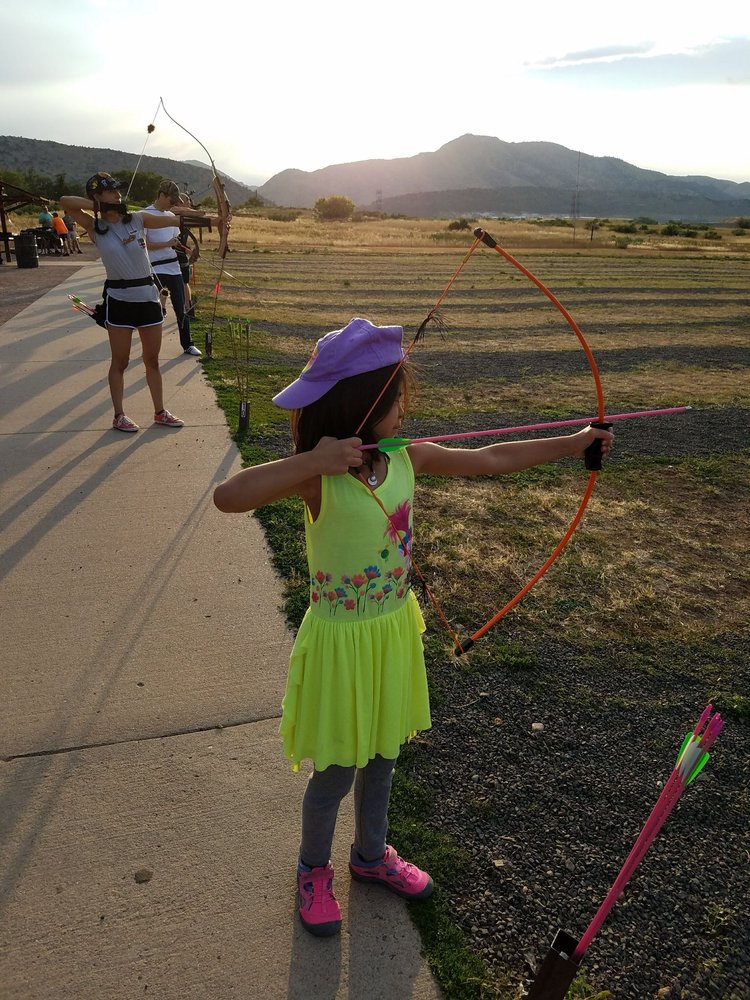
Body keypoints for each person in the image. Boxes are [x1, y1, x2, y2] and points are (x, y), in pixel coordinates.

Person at [212, 317, 614, 937]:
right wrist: (313, 459)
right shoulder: (318, 478)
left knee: (383, 756)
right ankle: (313, 870)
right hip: (342, 644)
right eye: (396, 398)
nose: (404, 409)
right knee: (335, 770)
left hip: (391, 633)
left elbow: (491, 457)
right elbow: (229, 496)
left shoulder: (407, 457)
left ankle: (370, 856)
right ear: (361, 402)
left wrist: (573, 443)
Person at [61, 172, 199, 432]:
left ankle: (160, 412)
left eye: (118, 191)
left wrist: (215, 219)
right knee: (120, 362)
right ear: (97, 196)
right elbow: (65, 201)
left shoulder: (136, 218)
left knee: (152, 360)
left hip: (147, 298)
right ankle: (119, 415)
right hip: (119, 301)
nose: (118, 195)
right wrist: (101, 208)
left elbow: (174, 218)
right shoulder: (95, 226)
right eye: (111, 191)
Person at [145, 179, 201, 357]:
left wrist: (189, 250)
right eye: (171, 200)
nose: (172, 204)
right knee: (152, 310)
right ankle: (150, 347)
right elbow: (144, 244)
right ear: (162, 195)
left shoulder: (170, 216)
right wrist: (166, 244)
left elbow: (175, 241)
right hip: (155, 268)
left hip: (173, 268)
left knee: (181, 308)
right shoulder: (145, 215)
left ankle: (188, 344)